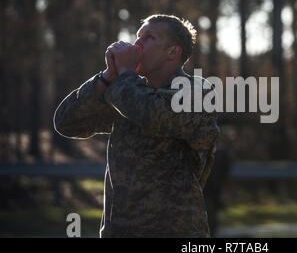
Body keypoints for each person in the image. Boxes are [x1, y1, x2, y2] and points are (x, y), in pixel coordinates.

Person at [54, 14, 219, 237]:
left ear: (173, 52)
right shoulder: (127, 91)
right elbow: (66, 122)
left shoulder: (197, 92)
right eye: (137, 36)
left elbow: (152, 114)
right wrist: (105, 78)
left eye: (149, 37)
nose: (137, 43)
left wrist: (124, 76)